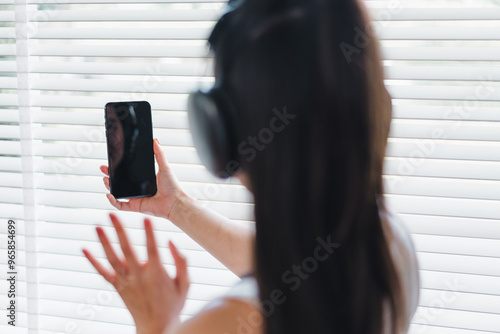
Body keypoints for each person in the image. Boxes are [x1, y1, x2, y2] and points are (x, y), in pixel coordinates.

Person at [83, 0, 420, 333]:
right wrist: (176, 207)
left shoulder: (226, 323)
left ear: (223, 131)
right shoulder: (389, 247)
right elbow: (293, 267)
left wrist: (154, 325)